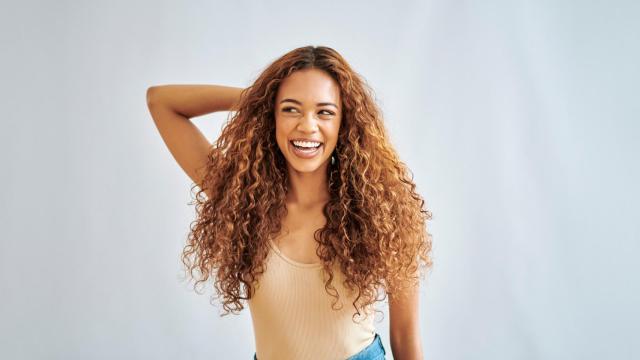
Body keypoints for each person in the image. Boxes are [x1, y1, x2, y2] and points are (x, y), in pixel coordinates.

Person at [146, 45, 432, 360]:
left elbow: (405, 338)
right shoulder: (243, 199)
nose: (307, 125)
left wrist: (282, 102)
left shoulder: (381, 213)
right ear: (271, 116)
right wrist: (257, 99)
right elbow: (161, 101)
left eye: (325, 111)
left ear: (345, 124)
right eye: (291, 109)